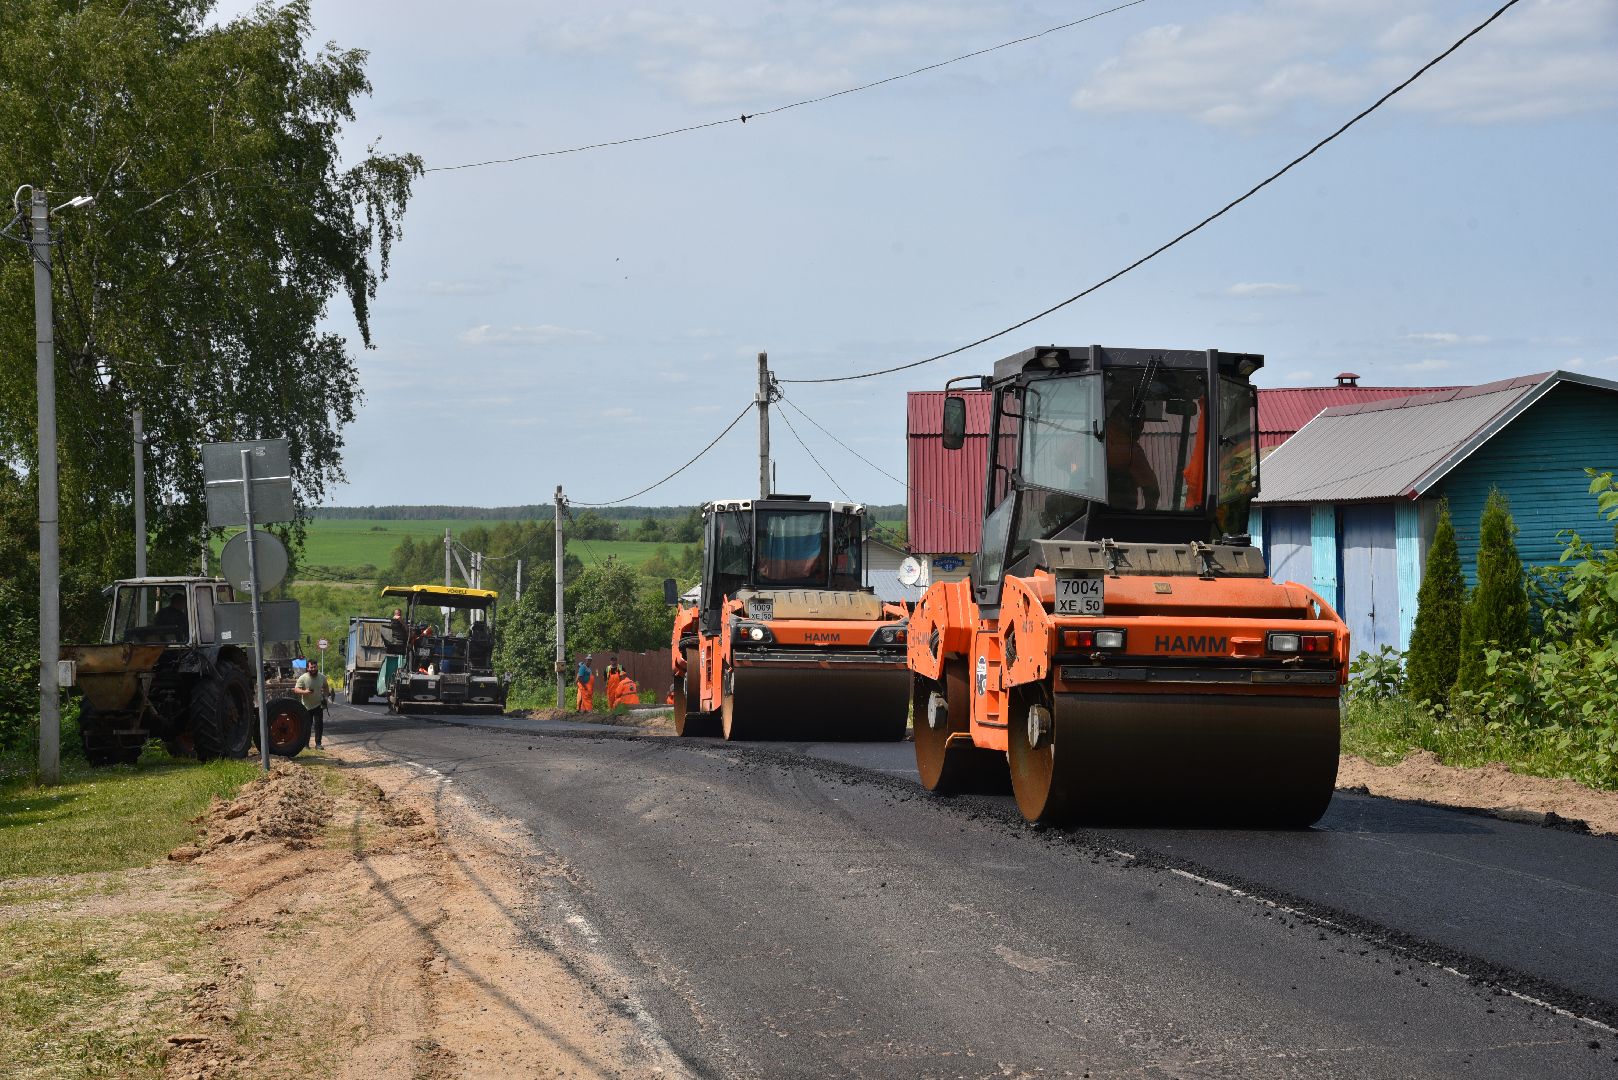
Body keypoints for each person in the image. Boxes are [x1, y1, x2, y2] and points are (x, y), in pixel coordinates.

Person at [1105, 400, 1160, 511]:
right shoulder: (1132, 452)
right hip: (1120, 513)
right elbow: (1152, 491)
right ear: (1126, 421)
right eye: (1140, 421)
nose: (1141, 427)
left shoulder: (1092, 438)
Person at [295, 658, 327, 748]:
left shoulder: (322, 677)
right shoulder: (303, 678)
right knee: (307, 726)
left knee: (318, 725)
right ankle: (306, 744)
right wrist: (305, 692)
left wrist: (326, 697)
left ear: (317, 667)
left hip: (318, 704)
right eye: (311, 667)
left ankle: (318, 744)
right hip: (306, 706)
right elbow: (296, 689)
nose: (313, 669)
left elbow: (326, 687)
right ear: (308, 668)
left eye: (314, 667)